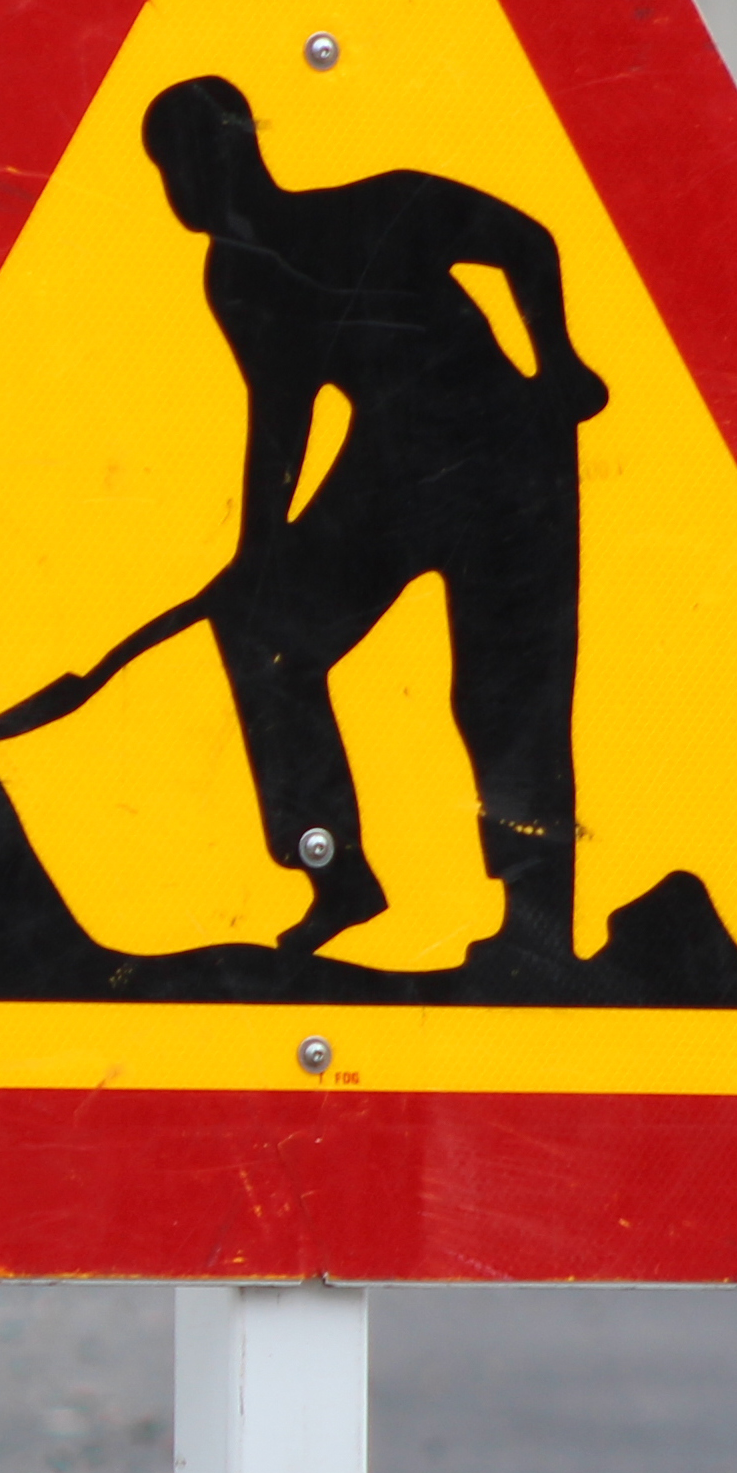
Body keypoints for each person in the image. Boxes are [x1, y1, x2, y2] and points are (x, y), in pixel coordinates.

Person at [138, 73, 609, 960]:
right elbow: (281, 415)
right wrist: (257, 554)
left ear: (234, 153)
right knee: (262, 631)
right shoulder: (237, 274)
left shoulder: (381, 208)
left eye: (186, 161)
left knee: (506, 694)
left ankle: (538, 927)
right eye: (166, 168)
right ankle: (337, 869)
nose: (179, 187)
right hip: (393, 467)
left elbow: (527, 239)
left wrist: (557, 363)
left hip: (504, 454)